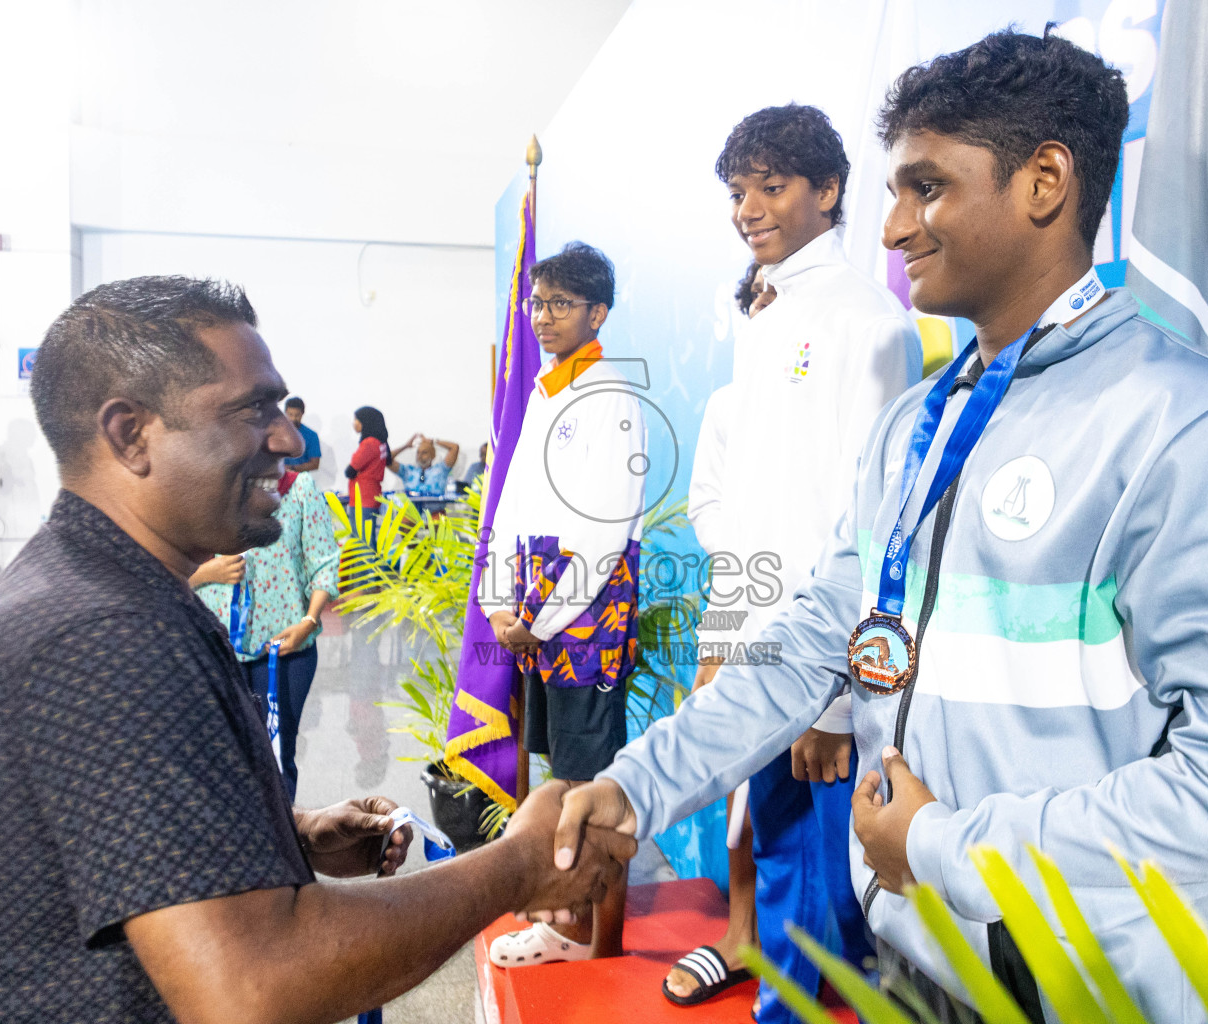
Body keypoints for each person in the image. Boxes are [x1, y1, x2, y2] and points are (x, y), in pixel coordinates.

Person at [554, 30, 1208, 1024]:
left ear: (1044, 182)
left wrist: (945, 849)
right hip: (917, 963)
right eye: (895, 191)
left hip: (1106, 993)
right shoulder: (916, 426)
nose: (892, 228)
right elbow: (818, 642)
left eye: (925, 188)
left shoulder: (1197, 431)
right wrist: (635, 787)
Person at [0, 275, 635, 1024]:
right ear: (129, 433)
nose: (289, 439)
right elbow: (252, 988)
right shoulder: (103, 634)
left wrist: (284, 834)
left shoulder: (107, 589)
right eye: (251, 411)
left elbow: (113, 839)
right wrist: (515, 869)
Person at [665, 104, 921, 1019]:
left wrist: (841, 701)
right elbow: (749, 519)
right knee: (781, 870)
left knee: (826, 905)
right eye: (739, 192)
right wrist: (724, 639)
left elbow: (876, 525)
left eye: (772, 187)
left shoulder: (872, 325)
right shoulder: (765, 322)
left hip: (820, 674)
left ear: (830, 190)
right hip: (756, 651)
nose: (750, 209)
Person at [478, 242, 645, 967]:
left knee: (592, 780)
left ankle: (592, 937)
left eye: (560, 304)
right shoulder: (549, 389)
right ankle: (566, 920)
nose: (543, 317)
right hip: (536, 617)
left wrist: (536, 619)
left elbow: (604, 530)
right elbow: (512, 508)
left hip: (583, 618)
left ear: (597, 312)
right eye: (537, 303)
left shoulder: (608, 396)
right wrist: (497, 605)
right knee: (564, 772)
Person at [193, 467, 338, 800]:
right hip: (216, 651)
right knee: (226, 761)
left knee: (277, 757)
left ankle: (283, 847)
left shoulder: (298, 490)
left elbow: (324, 562)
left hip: (285, 652)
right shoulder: (206, 487)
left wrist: (309, 621)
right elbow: (164, 570)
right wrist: (207, 571)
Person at [345, 405, 388, 515]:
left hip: (363, 497)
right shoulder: (381, 442)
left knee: (361, 532)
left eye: (357, 420)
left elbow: (350, 471)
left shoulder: (369, 443)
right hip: (371, 495)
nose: (354, 423)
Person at [389, 434, 459, 498]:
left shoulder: (441, 470)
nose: (420, 456)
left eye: (424, 452)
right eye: (418, 452)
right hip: (412, 511)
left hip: (435, 510)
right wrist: (406, 446)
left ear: (433, 455)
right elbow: (386, 459)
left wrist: (433, 441)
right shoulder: (407, 471)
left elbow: (454, 447)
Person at [283, 396, 321, 472]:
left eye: (297, 415)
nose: (293, 419)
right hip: (278, 479)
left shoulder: (311, 436)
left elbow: (315, 464)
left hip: (301, 480)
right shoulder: (276, 433)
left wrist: (292, 468)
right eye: (290, 415)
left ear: (302, 413)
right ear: (285, 413)